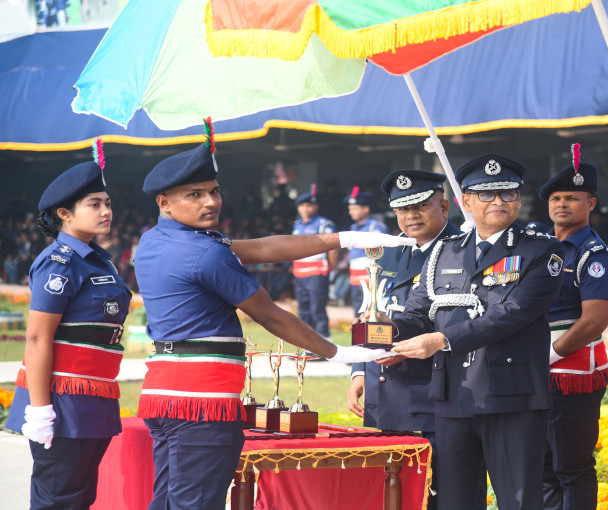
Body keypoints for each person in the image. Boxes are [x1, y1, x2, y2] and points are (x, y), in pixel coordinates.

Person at [133, 124, 412, 510]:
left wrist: (344, 239)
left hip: (163, 394)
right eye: (193, 195)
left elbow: (263, 247)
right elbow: (271, 316)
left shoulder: (152, 240)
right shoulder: (206, 252)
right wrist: (338, 353)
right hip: (203, 398)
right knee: (195, 504)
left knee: (167, 500)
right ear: (164, 202)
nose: (210, 202)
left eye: (213, 191)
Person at [389, 154, 566, 510]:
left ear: (518, 199)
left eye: (507, 194)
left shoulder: (542, 250)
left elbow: (514, 313)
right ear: (465, 201)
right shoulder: (445, 253)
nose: (498, 201)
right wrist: (379, 330)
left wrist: (441, 340)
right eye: (486, 195)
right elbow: (418, 313)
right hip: (454, 395)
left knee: (518, 500)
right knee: (455, 500)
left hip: (511, 396)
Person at [7, 141, 133, 509]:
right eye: (94, 204)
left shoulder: (98, 260)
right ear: (65, 213)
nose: (106, 210)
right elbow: (36, 339)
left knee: (80, 497)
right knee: (59, 498)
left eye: (107, 203)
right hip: (62, 401)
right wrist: (40, 410)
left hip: (95, 397)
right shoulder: (60, 263)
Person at [347, 169, 462, 507]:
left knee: (439, 487)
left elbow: (464, 324)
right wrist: (358, 369)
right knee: (392, 490)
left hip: (434, 389)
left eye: (420, 206)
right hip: (386, 386)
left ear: (443, 206)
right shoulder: (387, 252)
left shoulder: (462, 252)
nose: (410, 216)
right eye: (402, 209)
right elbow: (369, 312)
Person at [536, 150, 608, 510]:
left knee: (572, 466)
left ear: (591, 203)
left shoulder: (594, 255)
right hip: (537, 371)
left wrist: (550, 355)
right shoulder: (541, 247)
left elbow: (594, 320)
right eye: (556, 198)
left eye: (571, 197)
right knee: (542, 468)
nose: (562, 204)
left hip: (570, 372)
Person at [291, 185, 338, 340]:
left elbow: (333, 248)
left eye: (309, 205)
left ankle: (324, 343)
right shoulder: (297, 225)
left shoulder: (324, 224)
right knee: (303, 310)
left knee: (317, 309)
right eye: (303, 205)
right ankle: (306, 345)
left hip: (317, 273)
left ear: (316, 206)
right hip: (300, 274)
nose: (306, 208)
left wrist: (332, 269)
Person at [344, 187, 389, 314]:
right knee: (357, 310)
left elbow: (382, 255)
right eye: (350, 209)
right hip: (355, 277)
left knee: (371, 311)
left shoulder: (376, 228)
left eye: (354, 208)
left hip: (370, 277)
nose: (351, 212)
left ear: (366, 209)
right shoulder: (353, 227)